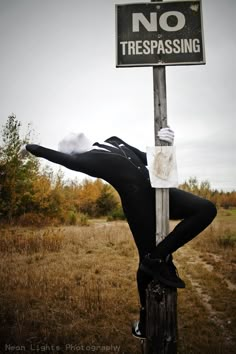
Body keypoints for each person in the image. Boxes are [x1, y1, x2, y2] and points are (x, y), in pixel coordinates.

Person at [23, 128, 217, 339]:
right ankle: (145, 322)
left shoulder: (114, 140)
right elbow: (59, 158)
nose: (69, 136)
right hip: (138, 206)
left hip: (160, 190)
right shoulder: (85, 160)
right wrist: (31, 148)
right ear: (71, 153)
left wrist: (166, 145)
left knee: (206, 209)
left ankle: (159, 257)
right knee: (145, 258)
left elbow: (153, 161)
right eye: (65, 143)